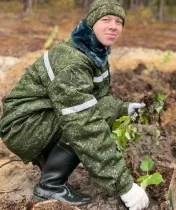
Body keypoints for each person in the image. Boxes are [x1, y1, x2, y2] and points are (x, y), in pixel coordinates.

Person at [0, 0, 149, 209]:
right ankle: (50, 186)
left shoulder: (95, 52)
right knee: (93, 116)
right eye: (106, 19)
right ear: (91, 23)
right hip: (23, 127)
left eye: (118, 21)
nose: (113, 26)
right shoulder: (72, 61)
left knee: (106, 107)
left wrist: (124, 108)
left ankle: (49, 164)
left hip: (37, 118)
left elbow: (100, 96)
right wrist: (124, 185)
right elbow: (84, 124)